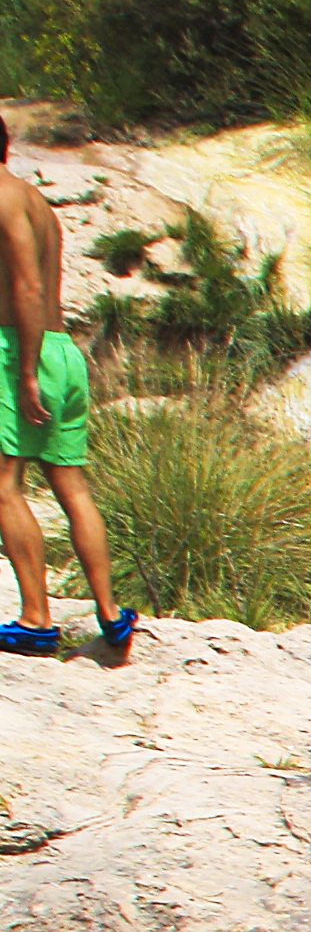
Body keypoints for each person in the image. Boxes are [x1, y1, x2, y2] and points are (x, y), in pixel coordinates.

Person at [1, 113, 135, 663]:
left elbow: (27, 287)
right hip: (62, 350)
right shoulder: (32, 199)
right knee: (71, 485)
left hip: (18, 350)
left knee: (4, 485)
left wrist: (26, 370)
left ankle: (36, 619)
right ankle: (110, 613)